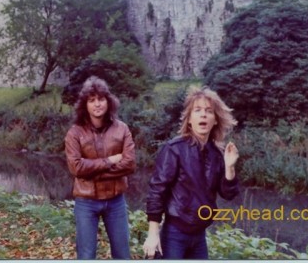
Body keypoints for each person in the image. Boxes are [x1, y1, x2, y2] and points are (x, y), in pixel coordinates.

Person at [143, 86, 240, 259]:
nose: (203, 114)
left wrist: (230, 167)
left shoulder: (218, 154)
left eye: (209, 111)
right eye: (198, 110)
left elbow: (228, 194)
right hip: (174, 234)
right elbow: (157, 191)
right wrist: (153, 233)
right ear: (189, 119)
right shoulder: (174, 149)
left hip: (199, 235)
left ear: (215, 120)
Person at [64, 76, 136, 259]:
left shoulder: (122, 129)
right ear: (85, 105)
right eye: (92, 100)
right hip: (86, 202)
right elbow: (76, 168)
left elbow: (129, 164)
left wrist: (92, 173)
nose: (97, 104)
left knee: (122, 255)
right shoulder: (74, 133)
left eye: (101, 99)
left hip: (116, 201)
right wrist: (110, 160)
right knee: (87, 255)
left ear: (108, 101)